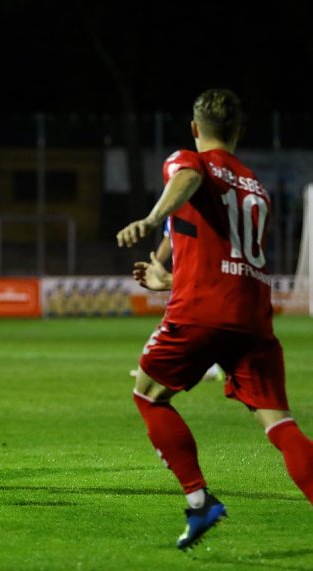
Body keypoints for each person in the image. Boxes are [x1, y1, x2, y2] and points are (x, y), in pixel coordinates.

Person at [117, 88, 313, 550]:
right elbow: (224, 251)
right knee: (280, 424)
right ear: (240, 130)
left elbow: (186, 177)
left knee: (148, 395)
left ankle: (200, 500)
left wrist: (152, 218)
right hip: (252, 313)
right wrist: (171, 280)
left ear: (194, 128)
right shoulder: (255, 185)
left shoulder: (190, 160)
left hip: (204, 310)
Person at [128, 219, 225, 382]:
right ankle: (208, 367)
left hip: (197, 278)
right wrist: (155, 264)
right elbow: (168, 240)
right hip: (183, 278)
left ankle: (153, 368)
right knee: (183, 323)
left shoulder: (198, 211)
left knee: (179, 323)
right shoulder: (175, 213)